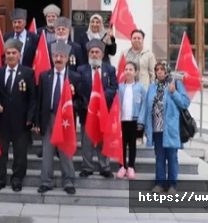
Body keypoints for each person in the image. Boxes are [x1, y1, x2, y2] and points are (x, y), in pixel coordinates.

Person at [34, 42, 82, 195]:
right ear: (52, 57)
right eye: (56, 56)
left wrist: (71, 102)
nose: (59, 59)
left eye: (62, 56)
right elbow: (39, 100)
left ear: (67, 58)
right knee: (47, 152)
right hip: (48, 118)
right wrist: (37, 122)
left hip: (65, 120)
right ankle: (46, 182)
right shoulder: (44, 76)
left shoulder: (74, 77)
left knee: (65, 152)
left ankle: (68, 181)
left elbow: (81, 101)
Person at [138, 61, 190, 194]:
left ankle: (172, 185)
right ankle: (160, 183)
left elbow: (185, 103)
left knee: (172, 157)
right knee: (159, 157)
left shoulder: (176, 84)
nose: (159, 72)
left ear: (167, 70)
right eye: (157, 69)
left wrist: (174, 93)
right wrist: (144, 126)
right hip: (156, 129)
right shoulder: (152, 86)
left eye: (162, 69)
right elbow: (147, 106)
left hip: (171, 128)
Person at [0, 38, 36, 192]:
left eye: (13, 53)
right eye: (8, 53)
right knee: (0, 152)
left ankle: (17, 179)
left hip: (21, 121)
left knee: (20, 154)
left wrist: (30, 119)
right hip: (2, 120)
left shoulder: (28, 72)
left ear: (19, 55)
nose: (10, 56)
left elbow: (33, 98)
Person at [76, 39, 117, 179]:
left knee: (103, 140)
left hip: (104, 111)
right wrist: (88, 103)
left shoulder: (110, 69)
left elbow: (114, 87)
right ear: (88, 54)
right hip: (86, 110)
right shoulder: (81, 69)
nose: (94, 54)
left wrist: (100, 98)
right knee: (87, 141)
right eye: (92, 52)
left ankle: (104, 167)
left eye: (97, 52)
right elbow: (78, 89)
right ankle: (87, 167)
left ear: (102, 53)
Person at [116, 61, 146, 179]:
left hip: (134, 121)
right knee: (122, 145)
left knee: (132, 145)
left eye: (130, 69)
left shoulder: (140, 88)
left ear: (136, 72)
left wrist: (141, 121)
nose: (128, 71)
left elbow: (144, 105)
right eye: (126, 69)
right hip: (122, 121)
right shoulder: (120, 87)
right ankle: (122, 166)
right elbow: (116, 104)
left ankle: (131, 166)